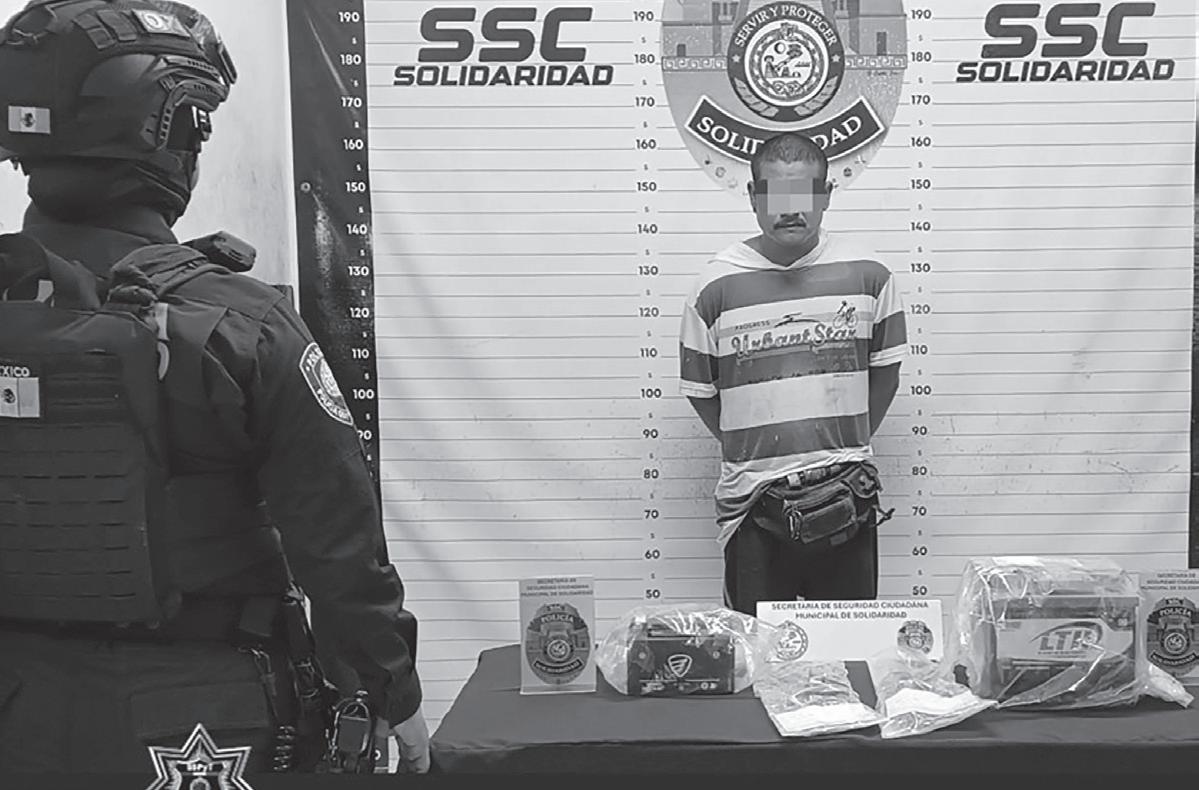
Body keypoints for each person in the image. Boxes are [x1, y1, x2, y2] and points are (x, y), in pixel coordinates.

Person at [0, 0, 428, 774]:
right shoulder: (241, 325)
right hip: (199, 716)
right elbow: (336, 546)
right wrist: (389, 692)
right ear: (174, 134)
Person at [678, 132, 906, 615]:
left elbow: (886, 376)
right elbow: (701, 391)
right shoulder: (714, 285)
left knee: (848, 644)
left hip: (847, 495)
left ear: (825, 195)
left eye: (802, 194)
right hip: (751, 505)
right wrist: (755, 446)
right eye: (775, 195)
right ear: (753, 196)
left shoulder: (871, 276)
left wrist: (840, 443)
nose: (790, 211)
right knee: (756, 648)